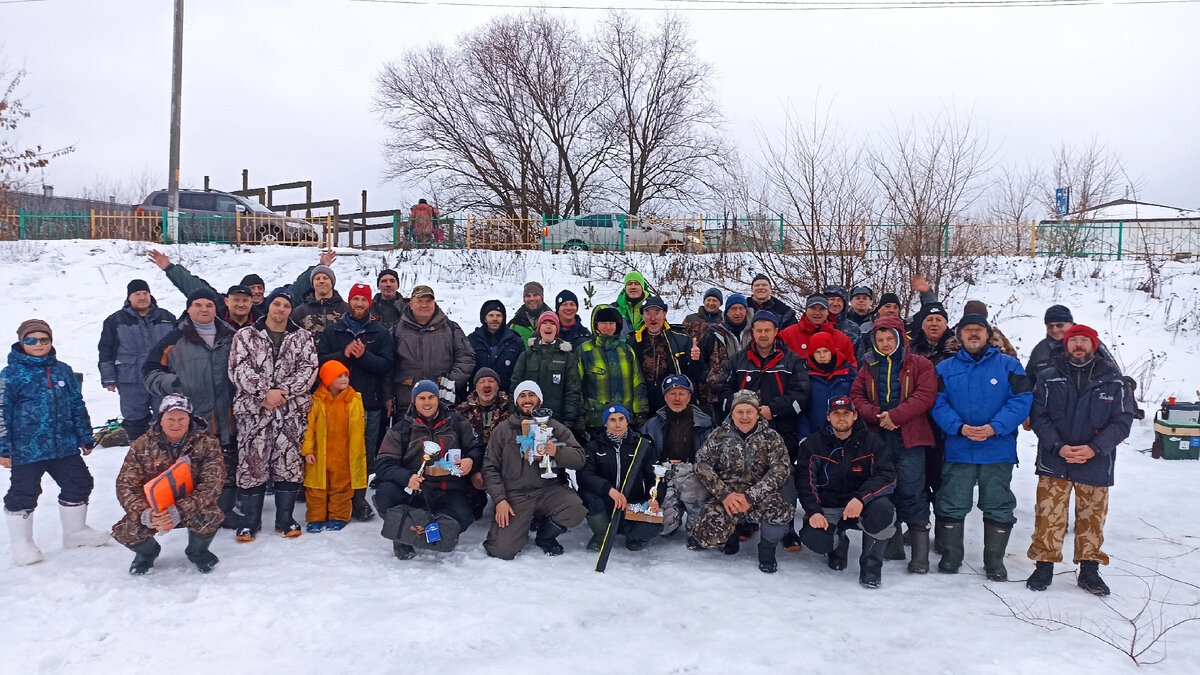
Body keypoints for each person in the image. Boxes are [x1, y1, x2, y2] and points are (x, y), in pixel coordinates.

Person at [1026, 324, 1134, 596]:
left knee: (1092, 518)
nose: (1078, 345)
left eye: (1084, 340)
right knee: (1048, 515)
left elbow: (1122, 421)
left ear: (1094, 345)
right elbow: (1040, 416)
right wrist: (1058, 446)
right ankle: (1044, 565)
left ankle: (1089, 569)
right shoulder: (1049, 376)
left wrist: (1096, 448)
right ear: (1066, 345)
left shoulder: (1113, 379)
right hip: (1055, 459)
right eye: (1074, 340)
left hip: (1096, 461)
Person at [931, 314, 1033, 581]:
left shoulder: (1010, 366)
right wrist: (959, 427)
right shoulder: (944, 369)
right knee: (952, 503)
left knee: (998, 504)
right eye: (968, 331)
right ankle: (952, 556)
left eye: (978, 330)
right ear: (959, 336)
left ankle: (994, 562)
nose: (973, 335)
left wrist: (995, 427)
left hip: (997, 449)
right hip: (958, 447)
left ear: (988, 335)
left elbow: (1022, 400)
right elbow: (937, 403)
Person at [2, 319, 110, 565]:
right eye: (31, 340)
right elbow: (1, 412)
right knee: (24, 493)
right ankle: (22, 545)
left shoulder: (62, 370)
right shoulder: (10, 375)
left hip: (63, 445)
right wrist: (3, 447)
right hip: (27, 449)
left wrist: (84, 436)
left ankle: (75, 532)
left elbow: (76, 404)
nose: (38, 344)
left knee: (80, 483)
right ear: (21, 342)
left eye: (44, 339)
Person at [228, 287, 318, 542]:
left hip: (290, 413)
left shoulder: (303, 337)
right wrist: (265, 392)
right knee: (251, 465)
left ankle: (285, 519)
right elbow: (238, 369)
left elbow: (309, 369)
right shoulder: (246, 336)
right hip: (254, 412)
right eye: (277, 304)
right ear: (268, 306)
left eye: (286, 306)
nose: (281, 309)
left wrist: (284, 392)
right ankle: (250, 521)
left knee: (288, 465)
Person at [144, 288, 239, 527]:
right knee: (197, 466)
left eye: (209, 305)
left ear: (217, 308)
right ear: (189, 308)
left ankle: (224, 511)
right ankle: (194, 513)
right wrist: (172, 383)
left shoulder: (232, 335)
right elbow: (149, 370)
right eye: (198, 305)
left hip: (228, 415)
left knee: (226, 464)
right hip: (194, 416)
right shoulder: (174, 338)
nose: (204, 309)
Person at [850, 316, 938, 574]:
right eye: (880, 339)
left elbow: (926, 394)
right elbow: (856, 395)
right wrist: (876, 414)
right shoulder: (868, 365)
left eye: (890, 339)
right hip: (879, 436)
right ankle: (893, 544)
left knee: (913, 489)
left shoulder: (919, 363)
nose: (886, 343)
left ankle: (920, 556)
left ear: (900, 338)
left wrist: (896, 416)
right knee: (885, 488)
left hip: (910, 435)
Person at [111, 395, 225, 574]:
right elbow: (125, 485)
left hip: (190, 505)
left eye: (182, 419)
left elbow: (212, 484)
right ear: (160, 420)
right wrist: (145, 513)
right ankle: (147, 555)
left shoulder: (208, 443)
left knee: (211, 515)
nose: (176, 424)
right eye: (170, 419)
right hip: (154, 510)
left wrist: (179, 510)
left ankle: (198, 552)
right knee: (125, 531)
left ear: (190, 419)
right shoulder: (142, 445)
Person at [375, 380, 484, 559]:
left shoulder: (456, 422)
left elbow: (477, 447)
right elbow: (383, 463)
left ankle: (437, 529)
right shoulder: (401, 429)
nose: (427, 402)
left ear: (438, 398)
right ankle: (402, 534)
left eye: (431, 397)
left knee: (464, 515)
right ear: (414, 401)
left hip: (448, 489)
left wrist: (470, 460)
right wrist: (407, 477)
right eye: (422, 398)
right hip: (415, 491)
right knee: (385, 493)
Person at [796, 396, 897, 588]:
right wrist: (814, 511)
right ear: (828, 417)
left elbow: (887, 476)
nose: (841, 418)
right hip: (829, 506)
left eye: (846, 413)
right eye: (836, 414)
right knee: (815, 538)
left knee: (883, 513)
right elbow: (805, 482)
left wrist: (861, 498)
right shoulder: (812, 445)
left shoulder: (873, 442)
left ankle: (871, 566)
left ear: (855, 415)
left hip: (863, 505)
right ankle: (838, 543)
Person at [316, 282, 395, 521]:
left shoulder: (379, 333)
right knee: (337, 452)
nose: (359, 303)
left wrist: (364, 356)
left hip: (369, 403)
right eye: (355, 299)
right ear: (349, 301)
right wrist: (345, 354)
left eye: (363, 300)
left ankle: (359, 500)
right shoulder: (334, 331)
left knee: (363, 455)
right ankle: (337, 496)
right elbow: (320, 362)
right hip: (336, 403)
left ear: (369, 303)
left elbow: (387, 365)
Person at [691, 391, 794, 574]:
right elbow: (701, 464)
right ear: (732, 413)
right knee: (708, 539)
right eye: (739, 411)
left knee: (781, 513)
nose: (744, 417)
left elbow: (781, 469)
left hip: (759, 496)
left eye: (749, 411)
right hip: (727, 497)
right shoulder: (718, 435)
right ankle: (732, 533)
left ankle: (767, 550)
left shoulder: (771, 437)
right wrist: (724, 494)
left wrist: (750, 497)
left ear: (757, 413)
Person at [481, 381, 587, 559]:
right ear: (516, 401)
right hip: (516, 496)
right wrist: (500, 500)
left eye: (532, 395)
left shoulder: (555, 427)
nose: (527, 400)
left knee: (575, 509)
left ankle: (545, 535)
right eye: (522, 396)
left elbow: (580, 458)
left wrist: (557, 451)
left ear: (540, 399)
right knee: (502, 550)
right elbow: (489, 468)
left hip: (549, 490)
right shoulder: (502, 431)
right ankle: (518, 529)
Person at [715, 310, 809, 455]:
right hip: (741, 430)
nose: (763, 335)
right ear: (752, 331)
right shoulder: (738, 359)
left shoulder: (791, 360)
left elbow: (801, 394)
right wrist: (742, 409)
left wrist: (774, 409)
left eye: (767, 330)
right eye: (759, 330)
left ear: (776, 331)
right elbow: (722, 389)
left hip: (782, 430)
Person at [147, 248, 333, 318]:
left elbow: (298, 286)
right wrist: (171, 269)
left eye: (260, 288)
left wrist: (320, 268)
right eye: (252, 289)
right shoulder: (227, 307)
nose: (257, 292)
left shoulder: (274, 304)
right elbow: (198, 288)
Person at [98, 279, 177, 441]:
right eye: (137, 294)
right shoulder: (115, 321)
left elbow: (180, 348)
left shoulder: (167, 317)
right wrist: (108, 378)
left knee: (165, 416)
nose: (142, 297)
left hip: (161, 378)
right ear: (129, 297)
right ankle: (139, 455)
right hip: (130, 379)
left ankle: (166, 455)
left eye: (145, 293)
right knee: (134, 421)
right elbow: (105, 350)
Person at [642, 375, 714, 548]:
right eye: (672, 393)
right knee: (663, 527)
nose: (677, 398)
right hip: (663, 473)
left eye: (681, 393)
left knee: (696, 500)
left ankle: (695, 530)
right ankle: (673, 517)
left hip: (693, 473)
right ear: (664, 396)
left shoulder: (705, 424)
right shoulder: (651, 424)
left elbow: (712, 456)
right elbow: (644, 456)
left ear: (689, 396)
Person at [579, 405, 660, 552]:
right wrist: (609, 490)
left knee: (652, 526)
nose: (617, 424)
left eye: (621, 419)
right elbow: (585, 476)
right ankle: (601, 534)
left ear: (627, 421)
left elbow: (654, 477)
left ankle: (633, 536)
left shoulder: (642, 446)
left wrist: (652, 498)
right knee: (587, 496)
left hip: (632, 502)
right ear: (605, 423)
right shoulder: (593, 446)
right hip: (605, 501)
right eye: (612, 420)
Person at [302, 361, 367, 533]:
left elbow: (358, 431)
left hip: (343, 455)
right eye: (339, 375)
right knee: (316, 488)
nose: (344, 378)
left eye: (346, 375)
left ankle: (339, 516)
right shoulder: (317, 400)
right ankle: (315, 518)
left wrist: (356, 455)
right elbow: (310, 428)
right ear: (328, 379)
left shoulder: (353, 400)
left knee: (342, 488)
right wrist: (308, 450)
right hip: (319, 455)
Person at [388, 284, 474, 414]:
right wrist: (389, 394)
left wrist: (450, 383)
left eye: (429, 301)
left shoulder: (451, 328)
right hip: (406, 403)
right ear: (411, 304)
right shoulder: (396, 330)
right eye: (419, 301)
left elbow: (466, 358)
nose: (424, 305)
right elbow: (386, 364)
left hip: (443, 402)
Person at [577, 305, 648, 431]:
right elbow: (576, 385)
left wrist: (641, 413)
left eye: (611, 323)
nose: (608, 327)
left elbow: (637, 383)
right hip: (595, 421)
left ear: (617, 325)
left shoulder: (626, 350)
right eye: (603, 323)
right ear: (596, 325)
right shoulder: (584, 350)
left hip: (624, 419)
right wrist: (579, 416)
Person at [631, 296, 702, 416]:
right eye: (648, 313)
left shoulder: (681, 338)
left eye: (657, 312)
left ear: (664, 314)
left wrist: (695, 360)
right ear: (643, 316)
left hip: (673, 398)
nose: (653, 318)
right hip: (644, 400)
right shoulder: (633, 341)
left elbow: (695, 373)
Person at [455, 368, 512, 518]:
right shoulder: (461, 411)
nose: (487, 385)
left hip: (503, 465)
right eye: (482, 381)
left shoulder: (511, 408)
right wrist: (474, 472)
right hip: (473, 464)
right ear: (475, 386)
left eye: (491, 381)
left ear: (498, 386)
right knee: (471, 512)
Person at [510, 312, 581, 429]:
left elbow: (573, 390)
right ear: (539, 328)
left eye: (552, 323)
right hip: (528, 419)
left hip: (557, 420)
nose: (548, 326)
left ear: (557, 329)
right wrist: (514, 413)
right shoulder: (526, 356)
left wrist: (569, 418)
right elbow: (515, 385)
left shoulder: (567, 357)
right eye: (545, 323)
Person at [697, 293, 752, 416]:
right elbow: (700, 360)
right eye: (733, 309)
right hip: (720, 395)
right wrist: (710, 376)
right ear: (726, 312)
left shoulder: (755, 332)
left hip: (751, 394)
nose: (738, 313)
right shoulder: (714, 333)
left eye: (741, 308)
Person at [796, 332, 856, 440]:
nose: (822, 356)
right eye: (817, 352)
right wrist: (803, 436)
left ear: (832, 352)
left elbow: (857, 403)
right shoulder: (804, 375)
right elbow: (802, 410)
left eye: (826, 351)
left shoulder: (849, 373)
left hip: (846, 433)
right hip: (815, 434)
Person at [779, 293, 858, 368]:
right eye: (813, 308)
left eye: (822, 309)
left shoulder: (841, 339)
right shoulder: (787, 335)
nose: (817, 313)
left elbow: (850, 368)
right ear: (806, 310)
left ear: (827, 312)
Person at [469, 300, 523, 392]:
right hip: (480, 395)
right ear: (484, 318)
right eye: (491, 315)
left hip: (507, 394)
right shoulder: (472, 340)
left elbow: (521, 370)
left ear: (503, 318)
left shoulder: (515, 340)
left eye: (498, 315)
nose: (495, 319)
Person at [291, 264, 349, 339]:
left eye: (325, 278)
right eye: (317, 279)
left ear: (332, 283)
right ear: (313, 284)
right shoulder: (299, 312)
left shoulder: (346, 310)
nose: (321, 281)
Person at [822, 284, 862, 352]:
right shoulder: (816, 324)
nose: (835, 303)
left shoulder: (853, 328)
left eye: (840, 300)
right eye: (832, 299)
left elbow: (860, 357)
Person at [615, 271, 650, 339]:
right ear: (625, 287)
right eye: (629, 284)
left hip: (648, 348)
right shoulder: (615, 309)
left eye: (637, 284)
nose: (633, 287)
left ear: (642, 287)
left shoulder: (654, 307)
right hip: (623, 348)